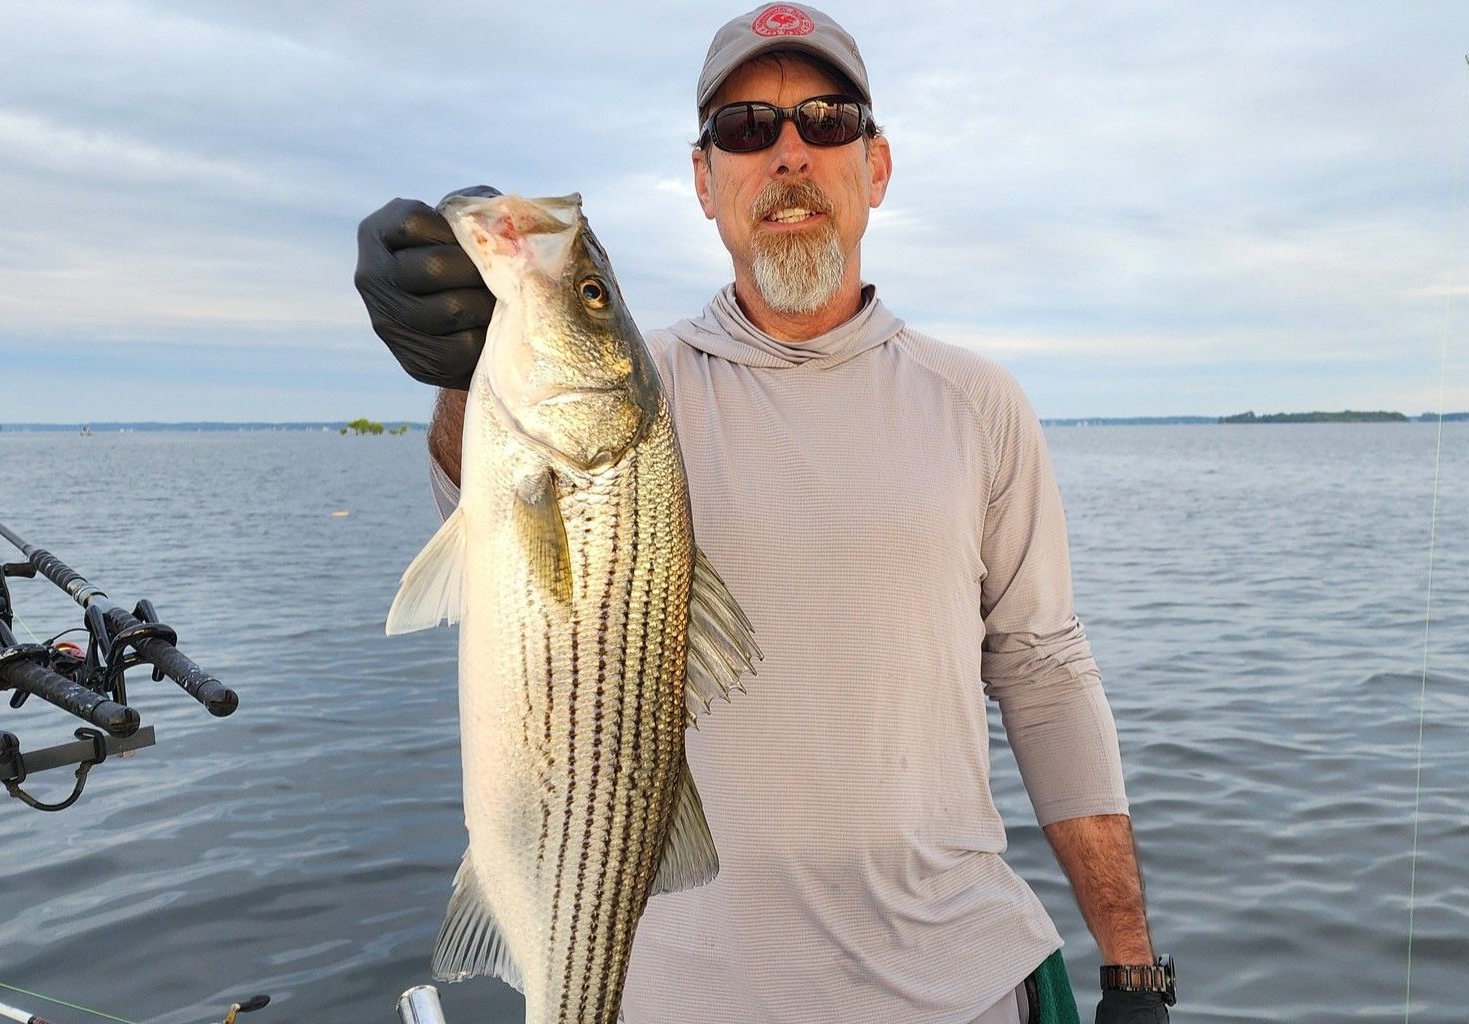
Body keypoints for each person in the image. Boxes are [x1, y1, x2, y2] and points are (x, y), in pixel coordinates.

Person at [354, 5, 1173, 1022]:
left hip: (951, 985)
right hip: (656, 992)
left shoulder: (979, 403)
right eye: (745, 128)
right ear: (704, 182)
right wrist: (461, 368)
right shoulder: (640, 395)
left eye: (824, 120)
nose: (787, 152)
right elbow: (485, 498)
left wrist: (1130, 964)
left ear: (874, 167)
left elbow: (1044, 675)